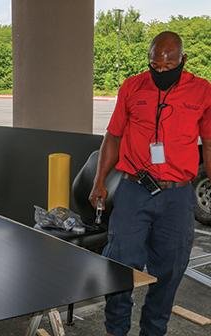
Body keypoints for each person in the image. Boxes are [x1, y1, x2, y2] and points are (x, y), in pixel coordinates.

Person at [89, 31, 211, 336]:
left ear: (183, 60)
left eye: (169, 68)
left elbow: (209, 141)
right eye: (155, 67)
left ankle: (153, 330)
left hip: (177, 196)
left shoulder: (202, 92)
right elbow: (113, 135)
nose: (161, 73)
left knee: (170, 269)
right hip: (133, 189)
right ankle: (116, 329)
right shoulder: (132, 86)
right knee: (121, 265)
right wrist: (99, 181)